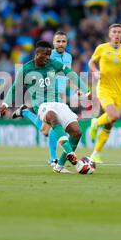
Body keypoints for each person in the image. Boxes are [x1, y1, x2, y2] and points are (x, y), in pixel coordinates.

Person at [0, 40, 90, 173]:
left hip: (58, 103)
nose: (48, 58)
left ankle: (59, 166)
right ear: (37, 54)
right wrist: (5, 104)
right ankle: (71, 155)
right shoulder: (25, 69)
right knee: (52, 119)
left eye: (49, 54)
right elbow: (14, 88)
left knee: (76, 132)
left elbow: (71, 74)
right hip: (41, 106)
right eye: (45, 55)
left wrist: (86, 90)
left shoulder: (53, 64)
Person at [14, 31, 73, 166]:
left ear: (67, 43)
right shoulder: (48, 56)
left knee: (46, 130)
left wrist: (74, 90)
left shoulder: (69, 57)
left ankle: (25, 112)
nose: (61, 44)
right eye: (58, 41)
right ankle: (53, 158)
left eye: (63, 41)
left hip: (60, 94)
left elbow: (67, 75)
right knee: (52, 127)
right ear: (53, 43)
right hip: (47, 94)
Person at [88, 23, 121, 163]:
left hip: (118, 91)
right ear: (110, 34)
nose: (116, 34)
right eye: (114, 32)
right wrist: (95, 71)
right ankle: (95, 122)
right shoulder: (102, 48)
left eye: (119, 32)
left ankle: (95, 154)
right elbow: (91, 62)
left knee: (110, 124)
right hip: (104, 89)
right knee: (114, 115)